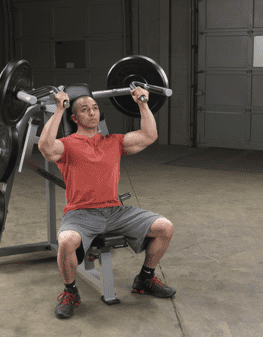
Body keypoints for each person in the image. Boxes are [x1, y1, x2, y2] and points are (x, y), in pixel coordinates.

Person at [38, 86, 176, 320]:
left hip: (114, 211)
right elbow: (45, 147)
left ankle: (145, 278)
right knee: (67, 241)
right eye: (84, 109)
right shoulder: (68, 145)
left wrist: (142, 103)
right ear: (75, 117)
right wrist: (58, 110)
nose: (92, 113)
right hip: (80, 213)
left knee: (165, 227)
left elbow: (149, 135)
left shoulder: (114, 142)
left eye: (95, 108)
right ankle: (70, 292)